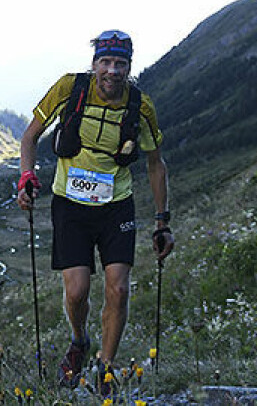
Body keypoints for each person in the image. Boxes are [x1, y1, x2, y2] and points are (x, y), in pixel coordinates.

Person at [16, 30, 174, 395]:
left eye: (120, 64)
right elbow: (29, 137)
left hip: (117, 205)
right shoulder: (69, 89)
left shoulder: (140, 106)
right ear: (94, 64)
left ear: (129, 68)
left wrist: (162, 222)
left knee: (118, 287)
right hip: (69, 205)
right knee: (77, 292)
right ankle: (79, 340)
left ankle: (105, 367)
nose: (112, 71)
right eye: (106, 62)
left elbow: (155, 163)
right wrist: (26, 176)